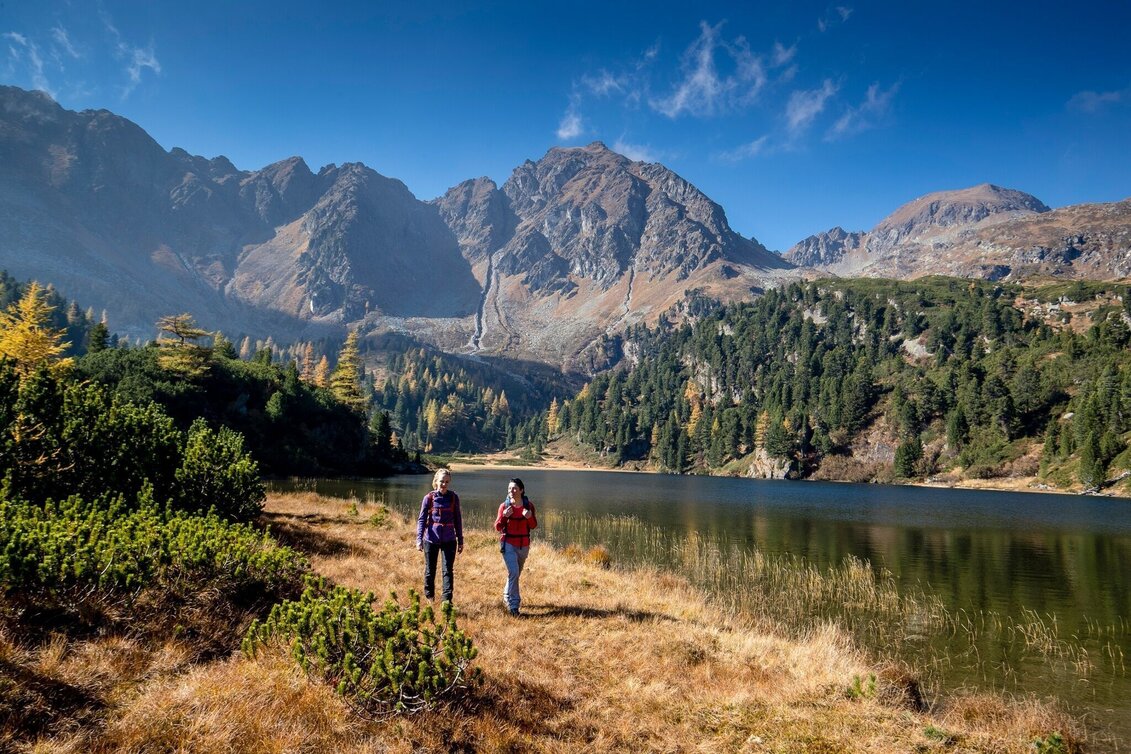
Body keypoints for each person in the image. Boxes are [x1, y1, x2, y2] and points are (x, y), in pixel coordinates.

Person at [416, 468, 464, 604]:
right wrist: (418, 539)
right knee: (430, 570)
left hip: (449, 540)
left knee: (447, 570)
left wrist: (460, 540)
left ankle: (446, 601)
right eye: (442, 481)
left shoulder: (454, 498)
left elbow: (458, 520)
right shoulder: (429, 498)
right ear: (436, 481)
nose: (444, 484)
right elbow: (421, 519)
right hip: (430, 539)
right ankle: (429, 598)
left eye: (447, 482)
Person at [495, 477, 537, 617]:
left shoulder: (528, 506)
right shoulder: (504, 506)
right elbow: (498, 527)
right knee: (513, 573)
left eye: (514, 489)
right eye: (509, 489)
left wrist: (529, 517)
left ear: (521, 490)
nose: (511, 491)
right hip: (508, 544)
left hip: (524, 545)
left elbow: (533, 525)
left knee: (515, 574)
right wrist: (504, 517)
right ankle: (514, 606)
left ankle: (506, 595)